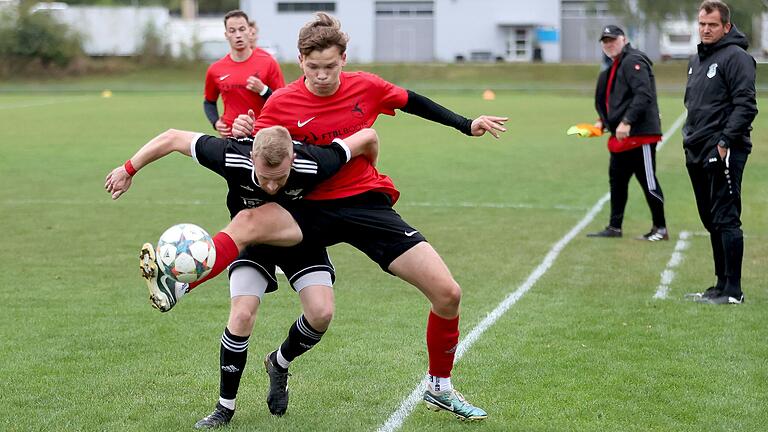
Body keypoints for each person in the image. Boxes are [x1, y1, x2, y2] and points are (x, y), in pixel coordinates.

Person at [211, 11, 506, 422]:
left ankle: (438, 386)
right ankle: (183, 283)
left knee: (447, 293)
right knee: (246, 229)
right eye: (313, 68)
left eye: (330, 66)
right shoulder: (281, 102)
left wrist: (465, 123)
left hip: (365, 204)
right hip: (308, 209)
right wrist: (244, 126)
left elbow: (412, 101)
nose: (322, 75)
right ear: (300, 61)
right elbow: (262, 148)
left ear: (344, 58)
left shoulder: (367, 87)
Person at [105, 126, 379, 429]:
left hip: (301, 241)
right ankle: (225, 408)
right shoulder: (231, 156)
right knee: (242, 315)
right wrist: (128, 169)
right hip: (250, 243)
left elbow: (367, 137)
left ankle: (279, 363)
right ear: (252, 157)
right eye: (264, 177)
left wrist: (368, 181)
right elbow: (172, 138)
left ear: (292, 157)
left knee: (321, 314)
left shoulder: (315, 161)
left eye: (280, 177)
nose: (272, 186)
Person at [682, 1, 757, 305]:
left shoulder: (737, 58)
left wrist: (724, 142)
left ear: (726, 26)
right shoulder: (695, 59)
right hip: (697, 149)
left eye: (712, 24)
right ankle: (720, 283)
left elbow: (746, 106)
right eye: (701, 24)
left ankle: (734, 291)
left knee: (726, 217)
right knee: (710, 218)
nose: (705, 29)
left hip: (724, 149)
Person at [586, 25, 669, 241]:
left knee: (648, 181)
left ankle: (660, 228)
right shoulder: (617, 64)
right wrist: (604, 122)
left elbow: (643, 94)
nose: (608, 44)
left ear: (624, 39)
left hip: (639, 136)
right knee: (617, 182)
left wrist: (626, 121)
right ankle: (615, 227)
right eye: (605, 41)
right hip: (621, 137)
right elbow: (618, 99)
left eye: (612, 39)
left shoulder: (632, 60)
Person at [203, 10, 285, 137]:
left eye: (242, 29)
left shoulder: (268, 63)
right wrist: (215, 122)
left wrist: (263, 90)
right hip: (229, 137)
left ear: (249, 31)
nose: (238, 35)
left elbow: (282, 103)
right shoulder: (215, 69)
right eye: (232, 31)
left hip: (261, 135)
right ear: (226, 34)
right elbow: (209, 102)